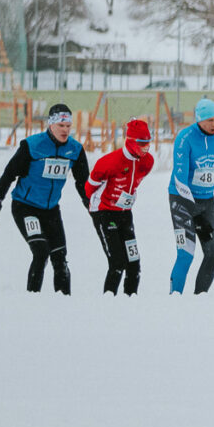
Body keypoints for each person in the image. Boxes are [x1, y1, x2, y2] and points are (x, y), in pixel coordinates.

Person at [0, 103, 92, 294]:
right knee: (41, 252)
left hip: (50, 210)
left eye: (68, 126)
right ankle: (32, 301)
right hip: (25, 208)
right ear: (51, 125)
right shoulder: (32, 146)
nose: (65, 130)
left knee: (60, 257)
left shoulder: (74, 149)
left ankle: (64, 303)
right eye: (61, 126)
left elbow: (83, 182)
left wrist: (91, 206)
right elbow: (8, 175)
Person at [83, 118, 157, 296]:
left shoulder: (147, 162)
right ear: (130, 141)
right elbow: (88, 189)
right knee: (117, 263)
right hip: (104, 213)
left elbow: (133, 182)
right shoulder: (109, 162)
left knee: (134, 263)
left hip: (125, 214)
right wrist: (105, 202)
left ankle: (129, 301)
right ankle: (109, 303)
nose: (146, 147)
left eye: (148, 142)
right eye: (142, 143)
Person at [166, 99, 214, 295]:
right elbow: (180, 180)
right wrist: (195, 215)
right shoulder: (185, 138)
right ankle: (175, 297)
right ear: (199, 120)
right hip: (182, 198)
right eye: (210, 120)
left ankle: (198, 299)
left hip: (207, 199)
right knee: (186, 254)